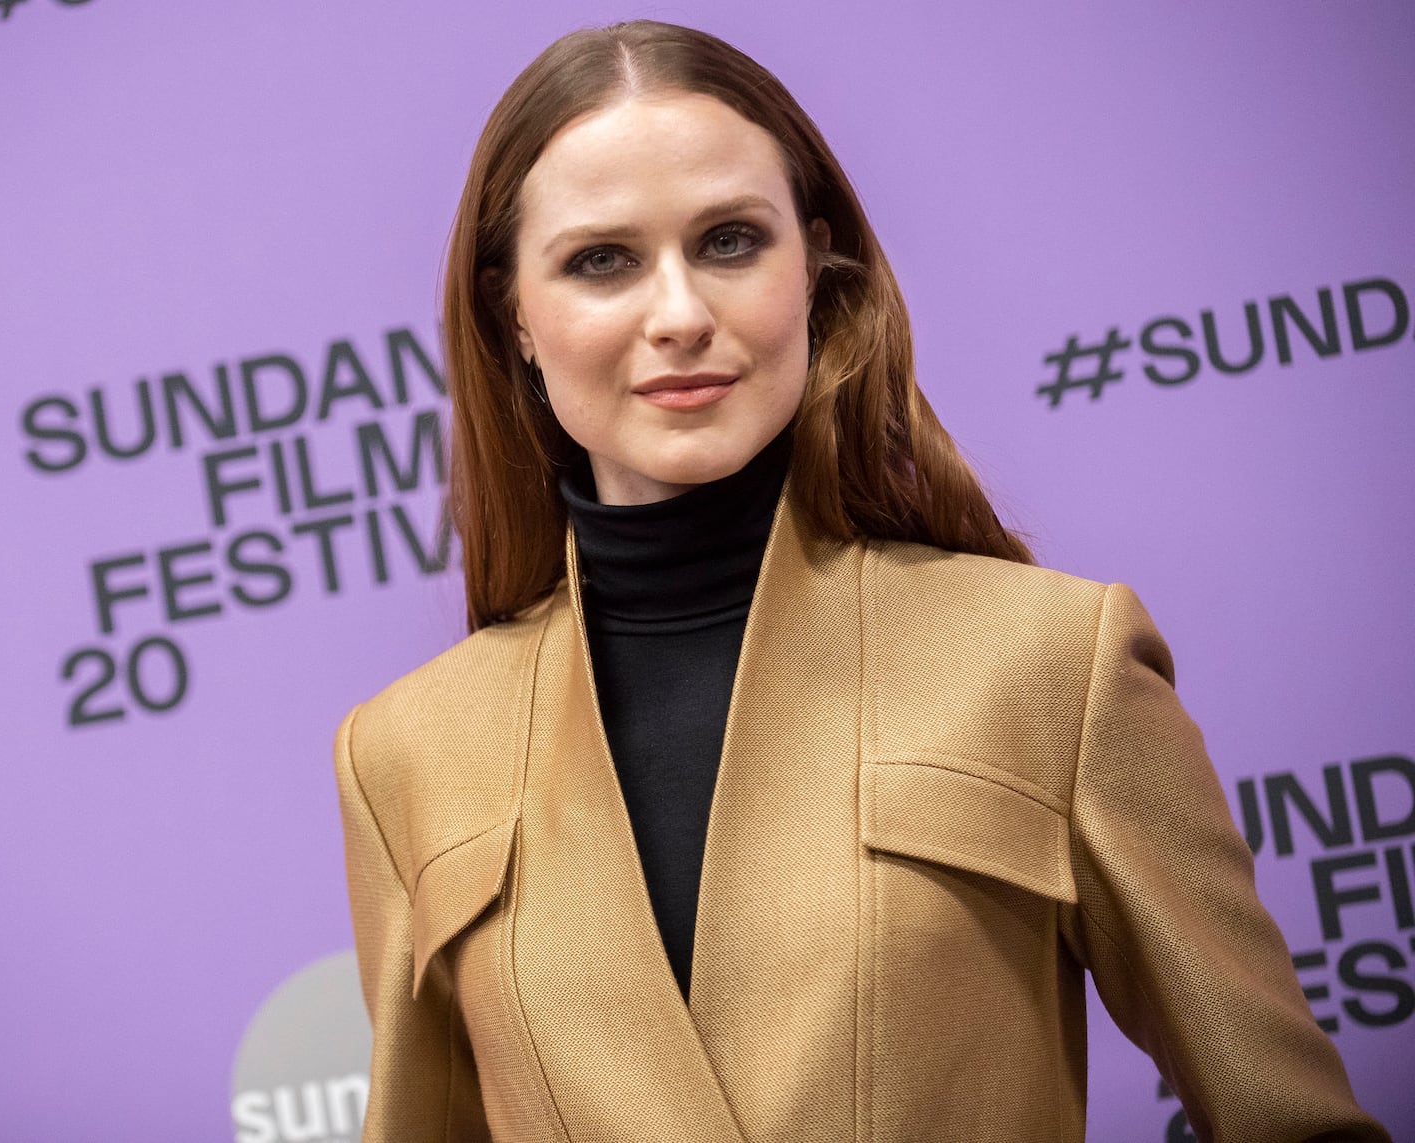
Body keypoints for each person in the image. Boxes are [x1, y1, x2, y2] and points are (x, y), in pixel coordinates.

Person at [333, 20, 1388, 1143]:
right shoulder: (407, 756)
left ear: (815, 267)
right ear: (516, 321)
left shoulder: (1050, 664)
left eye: (731, 241)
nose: (681, 314)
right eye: (603, 261)